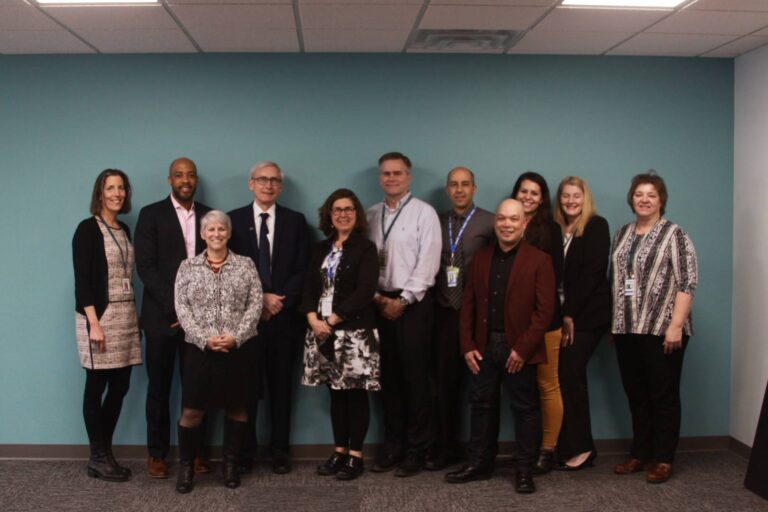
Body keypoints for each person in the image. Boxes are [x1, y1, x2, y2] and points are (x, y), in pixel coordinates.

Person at [445, 199, 554, 494]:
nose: (507, 224)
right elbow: (467, 305)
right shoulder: (480, 258)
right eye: (502, 218)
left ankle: (524, 470)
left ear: (524, 223)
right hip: (483, 346)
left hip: (520, 348)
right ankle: (479, 464)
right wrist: (466, 345)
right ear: (496, 223)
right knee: (481, 406)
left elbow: (545, 311)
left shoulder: (539, 260)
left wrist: (523, 349)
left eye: (514, 219)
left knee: (525, 409)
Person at [610, 172, 697, 484]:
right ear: (631, 199)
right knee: (636, 394)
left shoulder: (675, 235)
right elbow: (616, 282)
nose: (644, 199)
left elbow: (687, 282)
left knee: (663, 396)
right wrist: (614, 323)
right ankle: (640, 452)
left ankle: (663, 458)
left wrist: (675, 326)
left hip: (663, 329)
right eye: (639, 194)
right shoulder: (621, 234)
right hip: (626, 329)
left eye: (651, 195)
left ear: (662, 200)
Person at [173, 210, 263, 493]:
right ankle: (186, 468)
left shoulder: (245, 265)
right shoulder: (187, 267)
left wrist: (236, 337)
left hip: (238, 350)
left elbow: (256, 304)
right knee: (192, 412)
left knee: (237, 408)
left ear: (228, 233)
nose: (216, 234)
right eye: (210, 230)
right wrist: (205, 339)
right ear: (202, 235)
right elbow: (182, 308)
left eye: (221, 229)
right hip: (200, 351)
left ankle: (230, 465)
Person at [229, 161, 309, 474]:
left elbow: (302, 268)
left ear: (281, 186)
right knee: (246, 390)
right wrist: (258, 299)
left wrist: (277, 301)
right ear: (251, 184)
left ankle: (279, 451)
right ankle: (245, 451)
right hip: (246, 322)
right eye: (262, 179)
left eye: (274, 180)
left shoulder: (295, 221)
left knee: (281, 389)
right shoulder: (232, 220)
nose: (268, 185)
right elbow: (229, 266)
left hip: (284, 319)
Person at [134, 157, 212, 479]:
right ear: (169, 180)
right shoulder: (151, 215)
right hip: (162, 319)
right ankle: (157, 454)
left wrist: (195, 313)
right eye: (179, 174)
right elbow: (146, 268)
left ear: (195, 180)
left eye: (190, 174)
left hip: (201, 322)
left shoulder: (210, 215)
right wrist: (178, 308)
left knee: (197, 389)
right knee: (159, 389)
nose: (185, 179)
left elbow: (215, 266)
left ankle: (193, 453)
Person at [366, 151, 442, 477]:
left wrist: (404, 300)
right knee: (386, 380)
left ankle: (416, 449)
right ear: (380, 178)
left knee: (415, 381)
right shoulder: (368, 215)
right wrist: (379, 299)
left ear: (409, 177)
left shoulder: (425, 214)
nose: (392, 178)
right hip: (377, 303)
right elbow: (361, 264)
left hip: (414, 306)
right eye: (386, 174)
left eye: (398, 173)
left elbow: (429, 263)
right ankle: (392, 445)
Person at [301, 188, 380, 481]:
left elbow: (365, 291)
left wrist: (332, 319)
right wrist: (312, 318)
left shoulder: (365, 248)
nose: (343, 214)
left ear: (356, 214)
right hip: (321, 331)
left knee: (355, 395)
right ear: (329, 216)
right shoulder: (320, 249)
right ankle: (339, 450)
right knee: (335, 394)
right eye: (337, 210)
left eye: (348, 209)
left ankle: (355, 456)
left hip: (354, 332)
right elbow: (308, 287)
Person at [72, 169, 142, 482]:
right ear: (99, 193)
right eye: (110, 188)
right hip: (98, 316)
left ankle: (105, 452)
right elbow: (83, 281)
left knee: (121, 385)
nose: (116, 193)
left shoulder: (124, 228)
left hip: (125, 315)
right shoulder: (87, 230)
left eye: (121, 188)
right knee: (96, 385)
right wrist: (93, 324)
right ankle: (98, 456)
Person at [427, 167, 495, 471]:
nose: (459, 190)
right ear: (447, 189)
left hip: (478, 315)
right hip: (443, 313)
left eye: (465, 184)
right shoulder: (434, 222)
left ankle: (480, 451)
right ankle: (447, 447)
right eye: (453, 184)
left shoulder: (490, 222)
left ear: (474, 188)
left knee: (481, 387)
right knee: (444, 386)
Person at [552, 176, 610, 470]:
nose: (571, 201)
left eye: (576, 196)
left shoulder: (596, 226)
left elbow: (592, 274)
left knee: (569, 373)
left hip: (587, 315)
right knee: (560, 378)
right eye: (565, 196)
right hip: (563, 314)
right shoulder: (556, 229)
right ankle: (565, 446)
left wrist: (569, 314)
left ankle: (582, 449)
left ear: (585, 198)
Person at [511, 171, 564, 474]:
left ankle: (548, 449)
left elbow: (554, 276)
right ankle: (525, 449)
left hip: (545, 320)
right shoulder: (505, 223)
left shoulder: (551, 230)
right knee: (521, 388)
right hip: (513, 323)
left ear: (542, 199)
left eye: (534, 193)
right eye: (523, 191)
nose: (528, 197)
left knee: (548, 385)